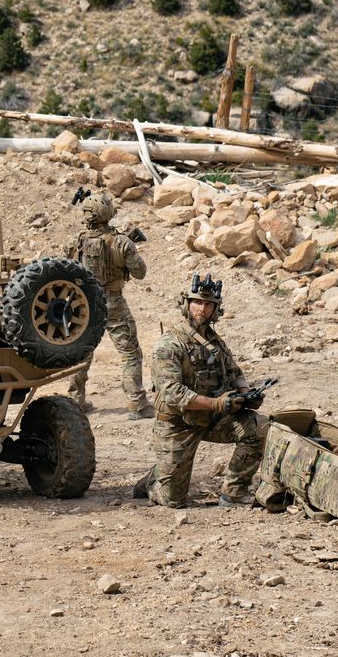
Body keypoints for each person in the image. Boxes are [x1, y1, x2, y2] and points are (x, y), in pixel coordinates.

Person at [132, 276, 269, 508]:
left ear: (216, 309)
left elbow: (234, 371)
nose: (201, 309)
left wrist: (246, 394)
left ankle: (234, 492)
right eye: (196, 303)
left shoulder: (215, 342)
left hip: (211, 418)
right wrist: (216, 404)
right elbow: (172, 394)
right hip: (177, 425)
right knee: (173, 500)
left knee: (260, 427)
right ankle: (155, 479)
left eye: (208, 305)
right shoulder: (170, 344)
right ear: (186, 305)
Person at [64, 192, 153, 418]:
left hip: (83, 304)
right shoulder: (121, 241)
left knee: (82, 351)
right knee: (130, 352)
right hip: (113, 302)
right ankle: (137, 404)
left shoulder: (77, 241)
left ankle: (76, 401)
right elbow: (140, 273)